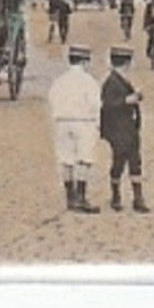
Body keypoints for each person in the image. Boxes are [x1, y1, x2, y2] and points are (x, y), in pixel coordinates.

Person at [47, 44, 101, 214]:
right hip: (83, 121)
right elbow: (95, 104)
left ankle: (70, 198)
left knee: (66, 160)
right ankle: (81, 197)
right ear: (85, 61)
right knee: (84, 159)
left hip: (62, 122)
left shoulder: (60, 81)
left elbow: (52, 99)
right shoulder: (88, 81)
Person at [100, 46, 149, 213]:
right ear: (126, 63)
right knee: (119, 162)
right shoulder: (111, 82)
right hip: (119, 130)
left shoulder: (121, 79)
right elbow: (108, 105)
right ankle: (116, 196)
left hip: (130, 128)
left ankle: (138, 198)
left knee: (135, 162)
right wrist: (128, 100)